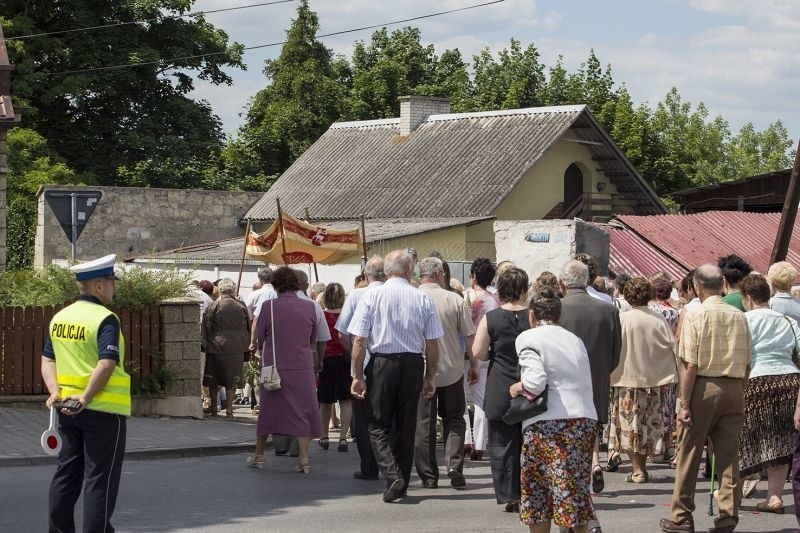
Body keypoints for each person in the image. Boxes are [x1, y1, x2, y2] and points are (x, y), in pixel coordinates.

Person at [659, 264, 752, 533]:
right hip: (734, 387)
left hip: (703, 386)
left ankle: (682, 516)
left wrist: (683, 403)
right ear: (722, 283)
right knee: (728, 456)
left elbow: (689, 365)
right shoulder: (739, 316)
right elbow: (747, 361)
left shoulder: (696, 316)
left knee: (688, 453)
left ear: (698, 286)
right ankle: (727, 517)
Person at [41, 254, 130, 533]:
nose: (115, 288)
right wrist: (87, 396)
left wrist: (55, 391)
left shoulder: (61, 317)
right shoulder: (105, 318)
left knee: (66, 475)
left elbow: (48, 360)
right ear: (99, 286)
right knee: (98, 480)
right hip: (102, 412)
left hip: (66, 410)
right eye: (112, 283)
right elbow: (106, 362)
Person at [349, 250, 443, 503]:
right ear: (407, 270)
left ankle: (393, 475)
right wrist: (430, 376)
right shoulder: (421, 297)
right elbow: (432, 342)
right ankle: (399, 477)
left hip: (381, 363)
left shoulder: (372, 296)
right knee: (405, 423)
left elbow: (359, 339)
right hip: (412, 363)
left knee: (377, 423)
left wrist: (357, 375)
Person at [513, 288, 598, 533]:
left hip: (547, 424)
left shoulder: (528, 338)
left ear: (532, 316)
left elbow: (534, 382)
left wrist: (517, 388)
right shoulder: (575, 340)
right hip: (582, 420)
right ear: (560, 316)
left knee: (538, 492)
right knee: (574, 491)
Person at [248, 267, 323, 473]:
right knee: (303, 411)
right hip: (302, 367)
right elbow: (312, 339)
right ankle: (304, 459)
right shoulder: (310, 307)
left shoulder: (268, 307)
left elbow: (259, 338)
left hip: (274, 367)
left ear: (276, 284)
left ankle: (260, 455)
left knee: (269, 410)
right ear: (297, 284)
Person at [737, 273, 800, 511]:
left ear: (749, 297)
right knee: (781, 440)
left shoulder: (744, 320)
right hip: (788, 380)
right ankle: (775, 496)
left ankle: (734, 490)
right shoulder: (787, 321)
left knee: (745, 438)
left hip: (755, 379)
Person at [558, 260, 621, 495]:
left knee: (568, 428)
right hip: (597, 375)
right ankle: (593, 463)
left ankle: (575, 474)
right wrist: (604, 370)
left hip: (564, 379)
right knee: (591, 424)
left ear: (562, 283)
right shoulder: (608, 309)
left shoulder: (557, 308)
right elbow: (616, 352)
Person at [608, 277, 678, 483]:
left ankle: (638, 469)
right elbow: (672, 349)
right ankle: (641, 467)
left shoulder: (621, 319)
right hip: (652, 382)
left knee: (629, 427)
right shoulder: (658, 320)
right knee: (648, 427)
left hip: (625, 380)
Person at [415, 257, 476, 489]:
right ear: (440, 274)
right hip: (452, 369)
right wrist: (475, 366)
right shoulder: (454, 299)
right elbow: (469, 335)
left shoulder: (413, 298)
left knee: (423, 424)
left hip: (421, 371)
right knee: (454, 419)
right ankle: (454, 466)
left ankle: (428, 475)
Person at [473, 266, 531, 512]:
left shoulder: (492, 317)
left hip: (500, 384)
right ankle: (531, 491)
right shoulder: (534, 316)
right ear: (524, 289)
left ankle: (510, 495)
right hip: (530, 384)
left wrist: (495, 353)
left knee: (502, 445)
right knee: (529, 443)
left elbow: (478, 352)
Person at [336, 255, 385, 481]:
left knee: (364, 418)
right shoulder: (393, 293)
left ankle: (369, 466)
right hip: (389, 362)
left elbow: (343, 335)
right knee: (388, 416)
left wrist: (355, 357)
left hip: (362, 366)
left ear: (366, 275)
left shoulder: (356, 295)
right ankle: (390, 464)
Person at [463, 258, 499, 461]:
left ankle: (466, 440)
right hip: (485, 353)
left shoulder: (463, 297)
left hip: (464, 354)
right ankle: (479, 443)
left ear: (474, 276)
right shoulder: (494, 300)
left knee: (460, 398)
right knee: (480, 400)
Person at [201, 278, 250, 418]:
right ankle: (229, 410)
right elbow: (247, 326)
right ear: (233, 290)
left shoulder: (214, 305)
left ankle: (215, 410)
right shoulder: (241, 305)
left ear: (220, 290)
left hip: (216, 346)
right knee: (232, 379)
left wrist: (205, 343)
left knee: (213, 379)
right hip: (237, 347)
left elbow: (206, 326)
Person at [317, 282, 352, 453]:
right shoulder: (348, 315)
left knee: (325, 400)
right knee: (346, 400)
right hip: (345, 360)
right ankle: (343, 437)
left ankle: (324, 436)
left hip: (326, 360)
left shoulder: (321, 316)